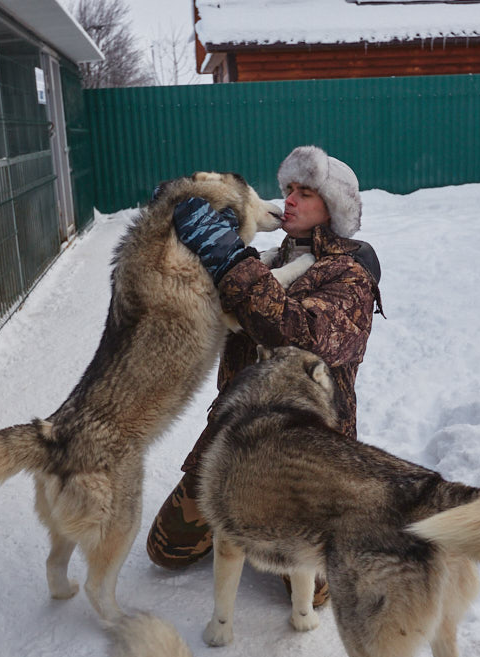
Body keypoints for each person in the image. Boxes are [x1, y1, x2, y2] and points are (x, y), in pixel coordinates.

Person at [145, 145, 383, 605]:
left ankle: (293, 523)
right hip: (234, 435)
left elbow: (299, 333)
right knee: (165, 551)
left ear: (332, 208)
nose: (290, 200)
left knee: (313, 593)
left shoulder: (350, 277)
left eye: (306, 192)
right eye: (289, 189)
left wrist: (231, 261)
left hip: (302, 450)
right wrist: (180, 220)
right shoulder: (269, 261)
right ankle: (241, 519)